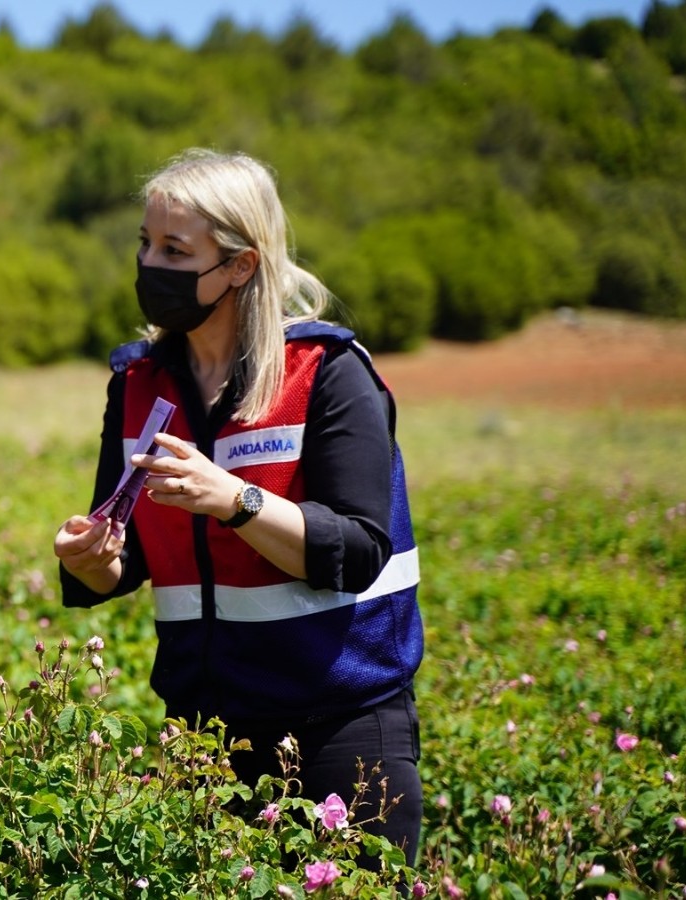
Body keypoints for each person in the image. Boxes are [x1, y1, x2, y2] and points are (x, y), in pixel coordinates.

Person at [54, 149, 424, 864]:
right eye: (145, 243)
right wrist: (92, 559)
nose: (148, 264)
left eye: (174, 249)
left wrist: (237, 501)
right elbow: (124, 557)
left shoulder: (329, 373)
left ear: (241, 266)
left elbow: (356, 550)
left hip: (341, 727)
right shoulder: (137, 382)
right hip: (204, 734)